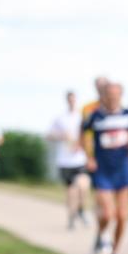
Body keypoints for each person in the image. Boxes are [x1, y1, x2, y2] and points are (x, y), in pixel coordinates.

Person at [83, 82, 128, 254]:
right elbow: (84, 133)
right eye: (109, 95)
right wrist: (89, 156)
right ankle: (100, 235)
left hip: (123, 169)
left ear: (121, 96)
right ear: (104, 96)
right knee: (108, 213)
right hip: (103, 170)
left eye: (116, 95)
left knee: (123, 216)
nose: (112, 98)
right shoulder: (96, 116)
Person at [47, 91, 91, 229]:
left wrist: (81, 144)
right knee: (71, 191)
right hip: (65, 161)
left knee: (83, 187)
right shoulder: (60, 118)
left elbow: (89, 135)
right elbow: (49, 135)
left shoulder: (82, 117)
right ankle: (71, 217)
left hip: (80, 159)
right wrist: (60, 136)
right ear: (67, 101)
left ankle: (81, 209)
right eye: (69, 100)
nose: (72, 102)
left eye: (74, 99)